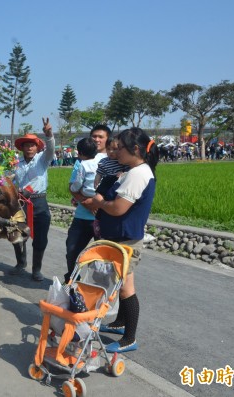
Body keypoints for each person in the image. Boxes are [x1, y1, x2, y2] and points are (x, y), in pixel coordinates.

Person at [84, 127, 159, 353]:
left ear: (135, 149)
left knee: (126, 289)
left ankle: (129, 339)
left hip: (124, 240)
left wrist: (98, 202)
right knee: (125, 285)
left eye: (120, 148)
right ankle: (120, 323)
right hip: (120, 238)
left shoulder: (138, 173)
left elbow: (118, 208)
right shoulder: (133, 170)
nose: (116, 152)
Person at [9, 117, 54, 281]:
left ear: (37, 147)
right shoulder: (16, 163)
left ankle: (37, 269)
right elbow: (11, 180)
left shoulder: (43, 159)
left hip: (39, 202)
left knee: (41, 238)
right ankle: (21, 263)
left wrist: (49, 135)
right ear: (22, 148)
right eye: (26, 145)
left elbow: (50, 149)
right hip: (20, 202)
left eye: (32, 145)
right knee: (16, 233)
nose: (29, 148)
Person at [63, 125, 109, 283]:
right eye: (94, 136)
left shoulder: (112, 160)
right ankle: (71, 280)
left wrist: (98, 203)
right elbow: (72, 187)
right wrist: (87, 202)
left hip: (103, 218)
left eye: (100, 136)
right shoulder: (81, 162)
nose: (97, 139)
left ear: (107, 139)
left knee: (102, 257)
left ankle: (99, 288)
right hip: (82, 217)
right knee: (72, 250)